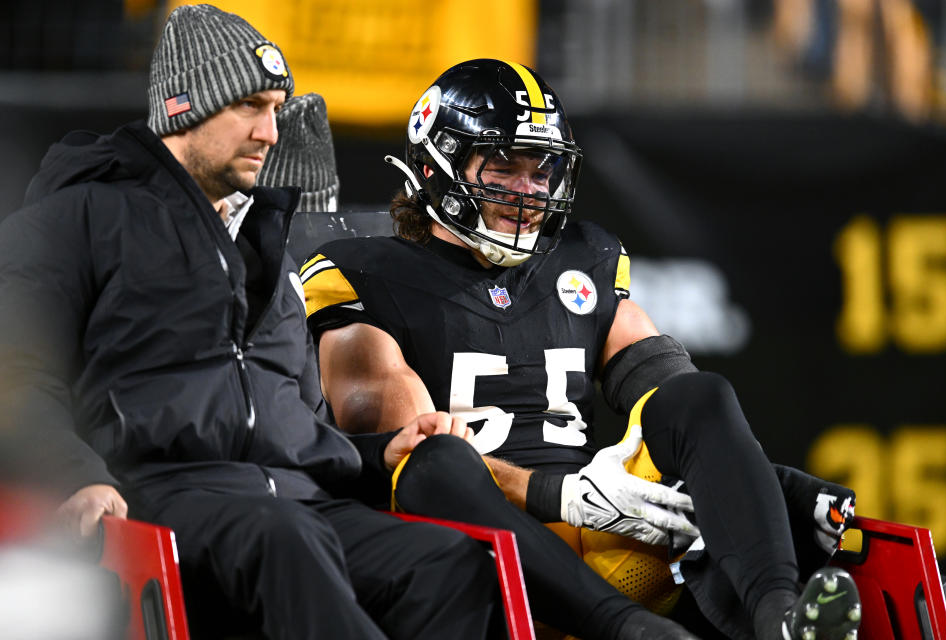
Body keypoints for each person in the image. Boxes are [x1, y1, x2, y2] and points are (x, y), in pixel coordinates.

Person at [298, 58, 862, 640]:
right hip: (485, 562)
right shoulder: (365, 275)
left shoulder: (581, 259)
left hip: (608, 539)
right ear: (435, 165)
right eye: (502, 168)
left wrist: (765, 484)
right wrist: (557, 493)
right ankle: (632, 632)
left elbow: (683, 408)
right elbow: (409, 455)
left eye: (541, 172)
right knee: (436, 460)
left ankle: (781, 620)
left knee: (701, 394)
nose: (529, 192)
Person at [0, 8, 502, 639]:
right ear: (185, 108)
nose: (270, 130)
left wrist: (379, 454)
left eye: (275, 107)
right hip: (158, 499)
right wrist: (74, 476)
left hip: (294, 502)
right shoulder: (75, 220)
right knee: (284, 536)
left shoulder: (265, 245)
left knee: (447, 562)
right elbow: (16, 377)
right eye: (248, 106)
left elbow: (294, 422)